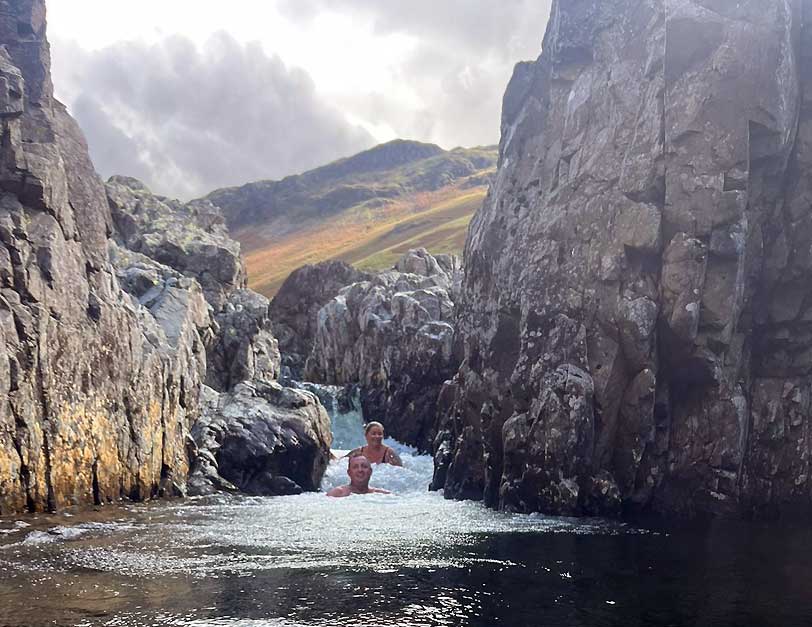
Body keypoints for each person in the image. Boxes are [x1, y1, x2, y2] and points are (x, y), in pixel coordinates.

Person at [326, 455, 391, 497]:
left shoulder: (382, 495)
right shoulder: (337, 494)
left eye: (364, 466)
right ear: (349, 472)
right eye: (355, 467)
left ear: (370, 471)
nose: (360, 470)